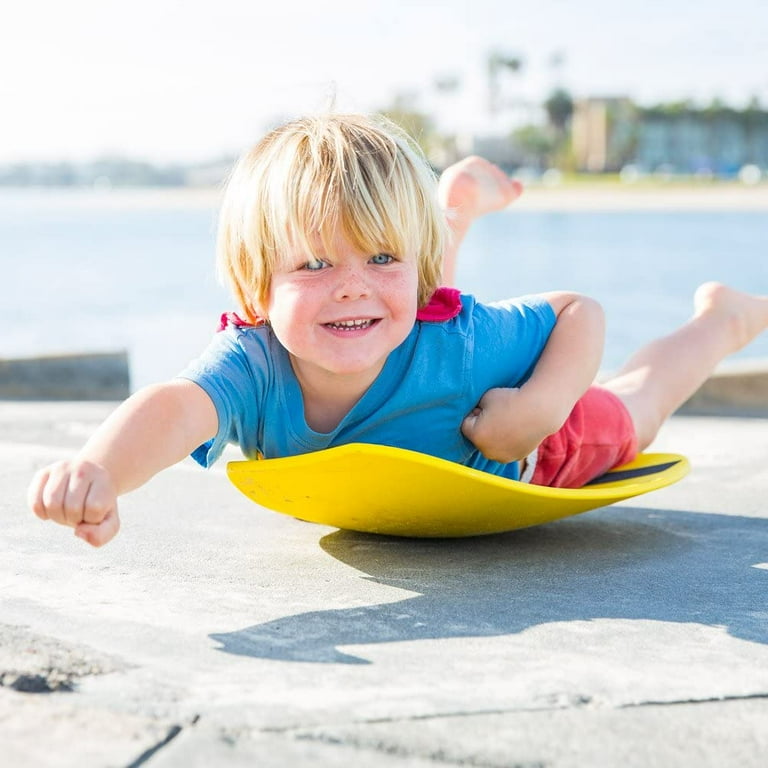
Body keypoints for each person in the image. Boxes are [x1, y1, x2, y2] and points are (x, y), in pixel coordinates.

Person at [27, 113, 768, 548]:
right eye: (314, 262)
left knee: (639, 401)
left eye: (382, 252)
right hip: (421, 340)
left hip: (535, 447)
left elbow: (581, 313)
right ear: (255, 289)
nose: (346, 279)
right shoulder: (251, 365)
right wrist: (101, 471)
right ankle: (448, 213)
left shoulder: (464, 343)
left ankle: (722, 319)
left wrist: (538, 410)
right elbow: (175, 407)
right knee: (382, 309)